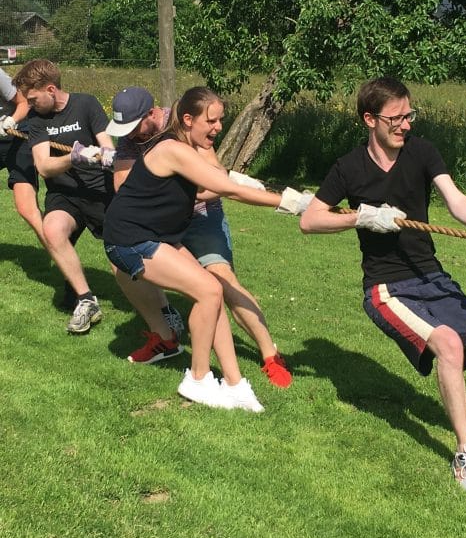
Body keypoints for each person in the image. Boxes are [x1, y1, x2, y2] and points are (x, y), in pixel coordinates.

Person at [300, 75, 466, 497]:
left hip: (432, 276)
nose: (406, 125)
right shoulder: (349, 168)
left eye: (409, 115)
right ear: (369, 119)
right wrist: (361, 217)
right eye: (396, 118)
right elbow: (310, 219)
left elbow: (455, 199)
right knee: (448, 344)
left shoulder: (422, 152)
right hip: (387, 288)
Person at [102, 86, 293, 411]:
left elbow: (210, 186)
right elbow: (227, 189)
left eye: (220, 120)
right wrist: (292, 202)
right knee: (209, 290)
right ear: (188, 120)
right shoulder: (172, 149)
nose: (218, 128)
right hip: (129, 239)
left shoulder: (184, 144)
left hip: (158, 233)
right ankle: (198, 378)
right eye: (212, 121)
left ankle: (234, 383)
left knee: (213, 290)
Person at [14, 59, 116, 334]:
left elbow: (106, 143)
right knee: (52, 229)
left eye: (33, 99)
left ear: (51, 89)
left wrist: (107, 154)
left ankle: (162, 308)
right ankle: (86, 300)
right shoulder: (37, 120)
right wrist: (74, 157)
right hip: (64, 195)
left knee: (123, 257)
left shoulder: (86, 104)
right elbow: (44, 166)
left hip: (100, 191)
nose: (30, 105)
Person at [0, 65, 45, 244]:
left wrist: (11, 120)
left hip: (17, 136)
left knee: (26, 208)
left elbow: (24, 102)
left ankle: (58, 247)